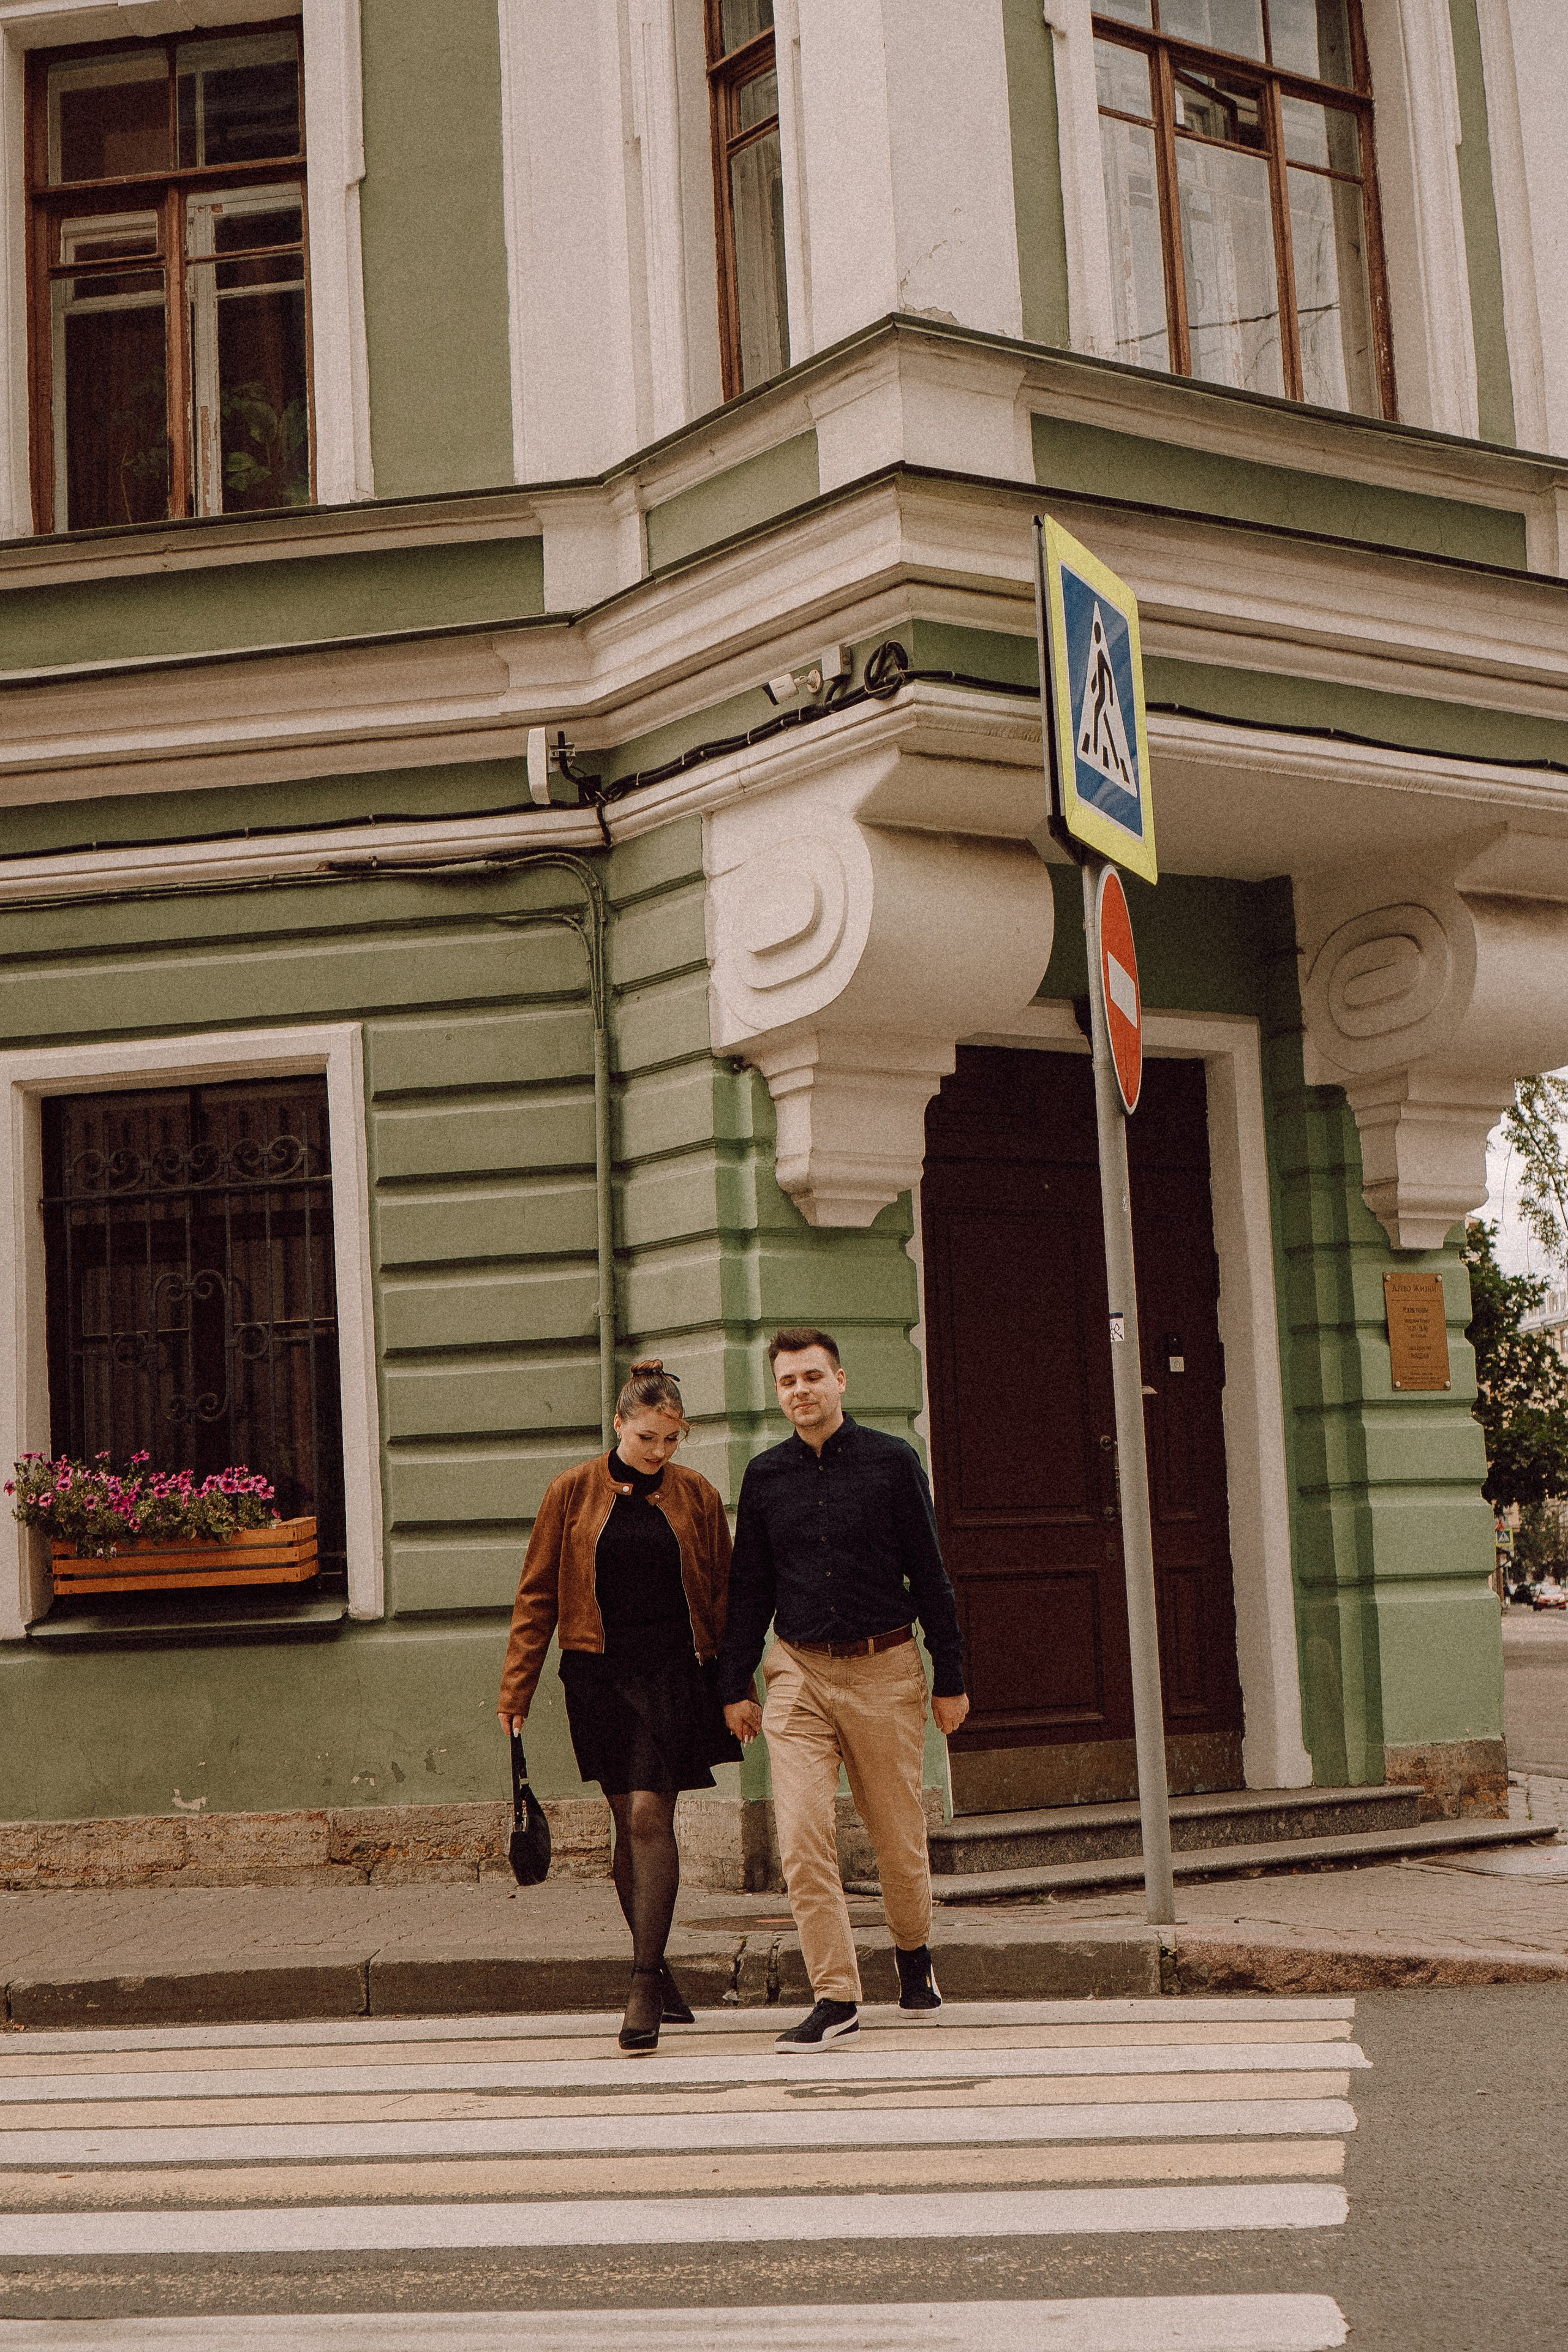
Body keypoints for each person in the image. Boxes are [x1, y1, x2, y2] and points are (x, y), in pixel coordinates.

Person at [718, 1327, 969, 2049]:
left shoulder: (893, 1462)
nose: (799, 1391)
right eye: (787, 1381)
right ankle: (836, 1995)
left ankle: (913, 1954)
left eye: (811, 1377)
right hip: (798, 1672)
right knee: (801, 1837)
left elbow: (930, 1574)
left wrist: (949, 1677)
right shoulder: (765, 1476)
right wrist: (735, 1684)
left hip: (885, 1669)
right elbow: (749, 1588)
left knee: (897, 1837)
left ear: (840, 1381)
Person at [497, 1361, 740, 2054]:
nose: (659, 1452)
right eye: (646, 1438)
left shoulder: (697, 1495)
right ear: (619, 1425)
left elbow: (725, 1596)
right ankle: (656, 1967)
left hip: (672, 1675)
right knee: (622, 1824)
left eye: (671, 1439)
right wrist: (516, 1689)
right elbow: (537, 1594)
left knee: (647, 1817)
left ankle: (640, 1985)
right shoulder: (571, 1491)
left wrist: (735, 1687)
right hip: (596, 1676)